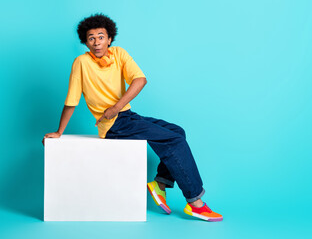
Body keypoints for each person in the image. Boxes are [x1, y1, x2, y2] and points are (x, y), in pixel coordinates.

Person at [42, 13, 223, 222]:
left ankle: (160, 183)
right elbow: (71, 101)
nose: (96, 42)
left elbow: (140, 80)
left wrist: (116, 107)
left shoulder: (119, 54)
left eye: (101, 36)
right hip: (113, 126)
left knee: (177, 131)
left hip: (126, 116)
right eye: (91, 38)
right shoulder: (81, 63)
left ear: (109, 39)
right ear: (86, 42)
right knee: (175, 141)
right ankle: (195, 203)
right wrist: (59, 132)